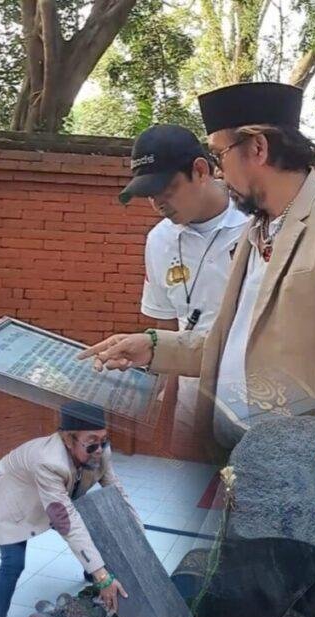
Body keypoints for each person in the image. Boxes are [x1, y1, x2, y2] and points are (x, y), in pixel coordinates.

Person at [81, 82, 315, 451]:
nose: (218, 173)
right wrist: (152, 347)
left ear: (258, 148)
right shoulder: (259, 227)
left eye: (220, 155)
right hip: (242, 454)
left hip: (302, 462)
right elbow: (233, 345)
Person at [0, 401, 141, 617]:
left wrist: (138, 533)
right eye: (91, 443)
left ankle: (91, 574)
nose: (99, 450)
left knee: (91, 524)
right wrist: (103, 575)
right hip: (12, 498)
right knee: (12, 564)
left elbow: (116, 492)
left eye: (104, 440)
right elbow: (67, 521)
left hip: (53, 494)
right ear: (67, 439)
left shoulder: (101, 452)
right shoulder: (49, 462)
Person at [119, 124, 248, 452]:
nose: (157, 203)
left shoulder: (257, 224)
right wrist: (167, 427)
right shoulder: (159, 241)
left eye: (166, 189)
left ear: (201, 171)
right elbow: (165, 335)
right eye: (149, 194)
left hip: (255, 400)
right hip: (192, 405)